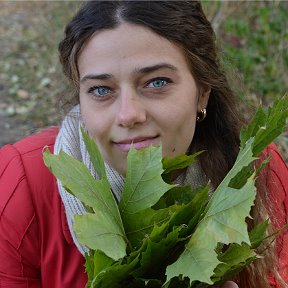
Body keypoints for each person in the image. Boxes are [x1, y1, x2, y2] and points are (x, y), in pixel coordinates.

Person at [0, 1, 287, 287]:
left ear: (202, 92)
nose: (129, 115)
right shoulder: (22, 184)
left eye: (157, 82)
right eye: (101, 90)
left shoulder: (254, 170)